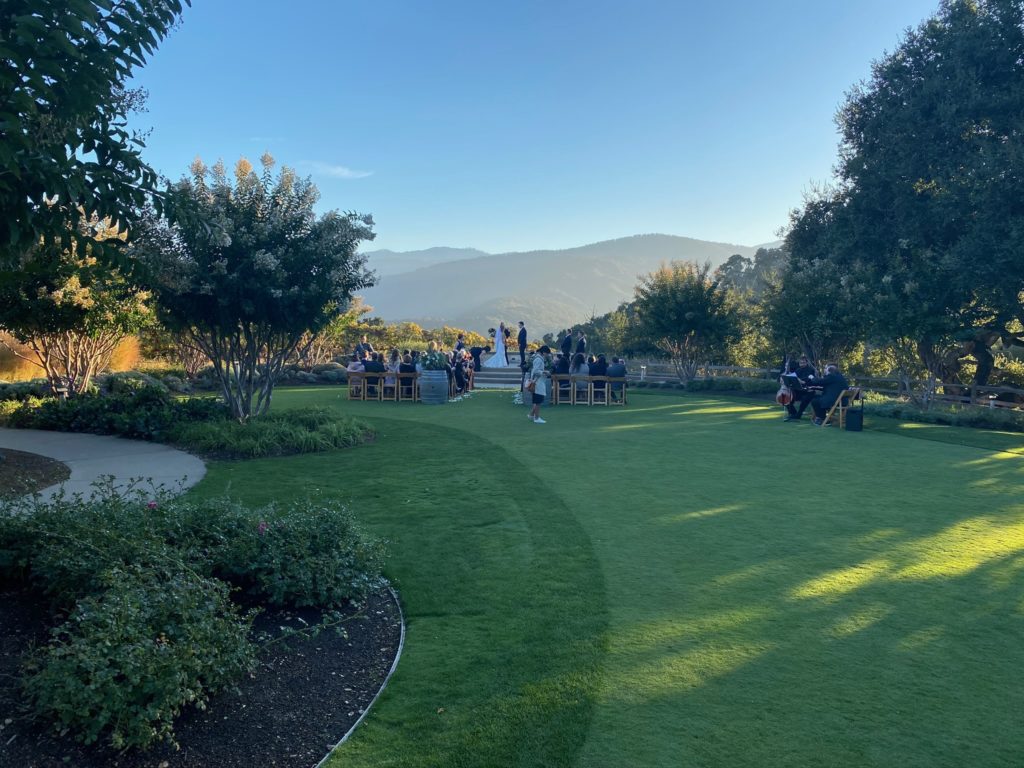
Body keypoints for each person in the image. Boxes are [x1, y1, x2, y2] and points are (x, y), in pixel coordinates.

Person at [782, 355, 817, 421]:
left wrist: (800, 380)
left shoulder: (811, 370)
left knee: (805, 398)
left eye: (803, 362)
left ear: (806, 363)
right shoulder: (798, 370)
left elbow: (807, 380)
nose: (802, 364)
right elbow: (793, 378)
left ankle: (798, 414)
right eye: (800, 363)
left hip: (808, 390)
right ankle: (793, 413)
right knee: (785, 397)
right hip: (798, 390)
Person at [528, 346, 551, 423]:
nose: (548, 355)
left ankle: (532, 415)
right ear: (544, 352)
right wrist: (544, 372)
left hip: (537, 381)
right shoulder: (538, 359)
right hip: (538, 382)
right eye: (547, 353)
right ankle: (536, 418)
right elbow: (536, 371)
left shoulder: (538, 358)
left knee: (537, 400)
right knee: (538, 401)